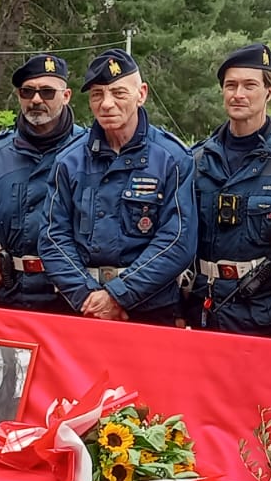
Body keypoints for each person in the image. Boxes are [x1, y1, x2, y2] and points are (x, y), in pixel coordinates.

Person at [39, 49, 196, 325]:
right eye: (97, 94)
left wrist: (117, 296)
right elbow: (52, 237)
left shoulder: (172, 158)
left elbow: (177, 241)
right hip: (82, 308)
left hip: (150, 309)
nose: (107, 103)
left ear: (141, 94)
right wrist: (87, 296)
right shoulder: (68, 160)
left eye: (118, 93)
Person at [189, 44, 271, 335]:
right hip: (205, 310)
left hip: (269, 313)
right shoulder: (196, 160)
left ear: (270, 91)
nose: (238, 94)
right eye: (231, 85)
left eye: (249, 85)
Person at [0, 54, 86, 312]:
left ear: (66, 96)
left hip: (72, 299)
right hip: (11, 295)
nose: (36, 100)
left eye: (47, 92)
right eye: (28, 92)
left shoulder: (89, 152)